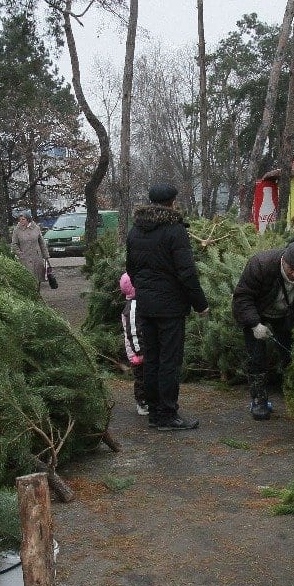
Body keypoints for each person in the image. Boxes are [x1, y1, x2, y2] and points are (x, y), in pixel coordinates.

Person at [126, 183, 210, 431]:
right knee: (170, 361)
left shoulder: (135, 231)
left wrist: (144, 290)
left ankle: (154, 412)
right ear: (172, 202)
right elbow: (186, 273)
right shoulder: (175, 231)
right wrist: (200, 304)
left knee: (152, 359)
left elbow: (131, 269)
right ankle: (168, 414)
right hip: (171, 307)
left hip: (145, 304)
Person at [231, 242, 294, 420]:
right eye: (291, 269)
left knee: (291, 354)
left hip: (286, 315)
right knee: (257, 357)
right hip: (258, 313)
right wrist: (254, 324)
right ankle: (259, 400)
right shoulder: (261, 264)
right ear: (284, 260)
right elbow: (242, 297)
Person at [119, 272, 150, 416]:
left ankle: (149, 400)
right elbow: (134, 332)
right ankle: (142, 403)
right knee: (141, 378)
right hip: (137, 352)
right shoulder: (133, 307)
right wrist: (140, 352)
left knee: (147, 375)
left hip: (141, 349)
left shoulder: (138, 303)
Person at [11, 213, 50, 291]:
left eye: (23, 219)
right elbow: (14, 244)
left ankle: (37, 294)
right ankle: (31, 295)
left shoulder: (36, 228)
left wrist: (46, 255)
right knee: (29, 278)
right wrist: (20, 254)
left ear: (28, 219)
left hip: (37, 257)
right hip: (25, 258)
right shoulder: (17, 230)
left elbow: (41, 242)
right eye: (20, 219)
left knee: (38, 277)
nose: (21, 221)